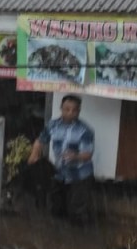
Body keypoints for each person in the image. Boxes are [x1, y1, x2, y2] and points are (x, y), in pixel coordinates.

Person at [28, 95, 94, 223]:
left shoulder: (85, 130)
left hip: (79, 175)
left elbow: (88, 154)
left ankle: (79, 235)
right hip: (60, 173)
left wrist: (76, 156)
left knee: (77, 212)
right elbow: (40, 141)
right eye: (67, 109)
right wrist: (34, 155)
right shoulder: (53, 125)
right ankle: (60, 235)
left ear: (79, 111)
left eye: (74, 110)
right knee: (56, 210)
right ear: (61, 108)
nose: (70, 113)